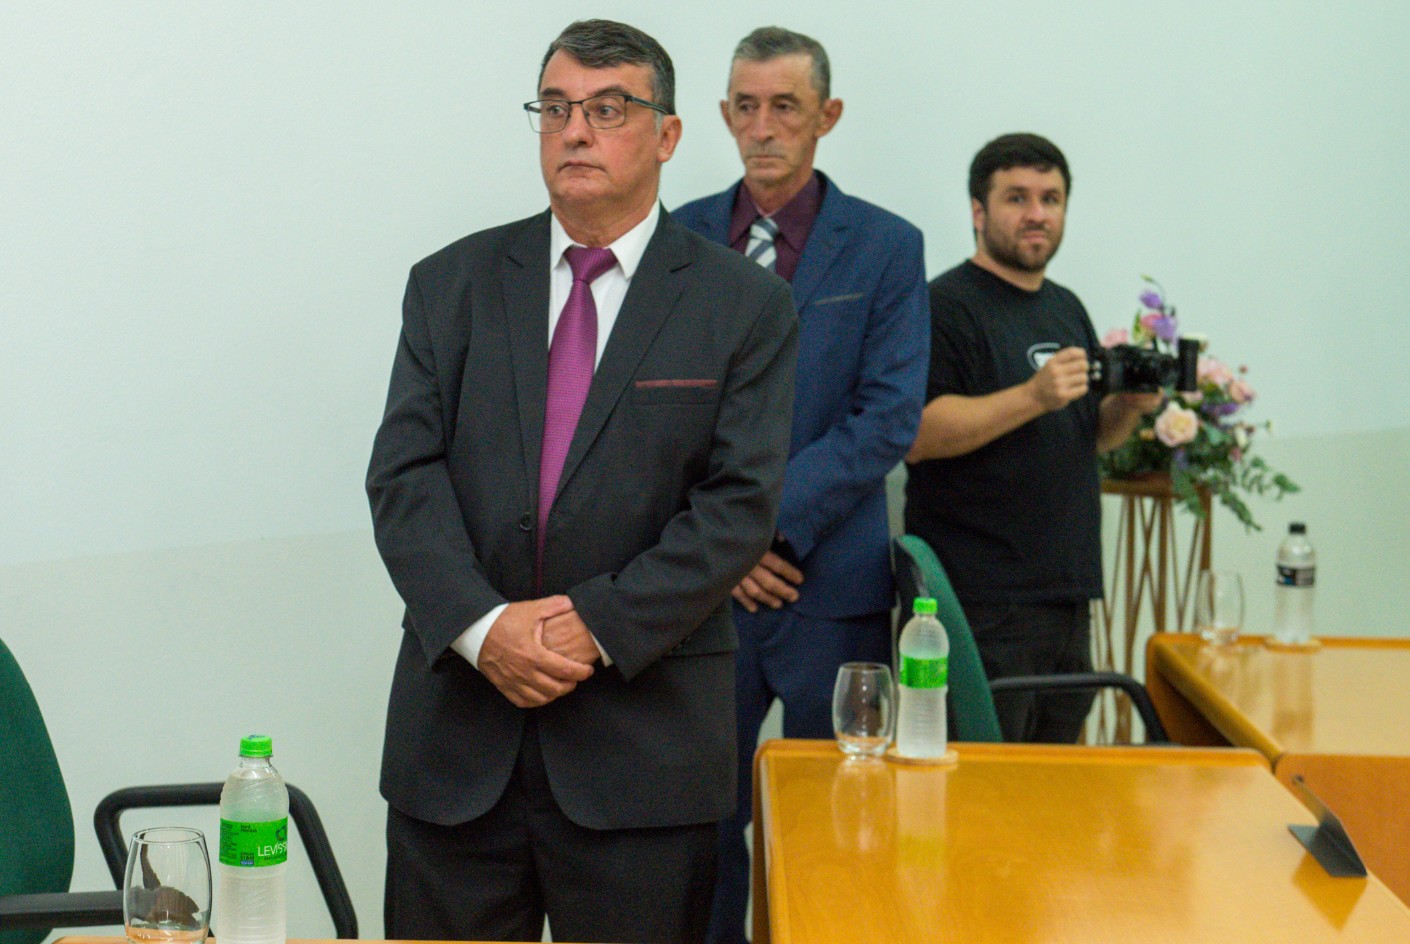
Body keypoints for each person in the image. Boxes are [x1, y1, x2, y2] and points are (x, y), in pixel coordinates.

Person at [365, 20, 798, 944]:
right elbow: (403, 480)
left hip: (642, 756)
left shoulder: (742, 304)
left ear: (667, 135)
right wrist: (483, 629)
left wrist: (590, 625)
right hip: (458, 749)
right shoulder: (451, 284)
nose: (574, 132)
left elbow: (735, 509)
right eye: (555, 109)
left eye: (607, 110)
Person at [674, 26, 928, 944]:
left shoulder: (887, 246)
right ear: (721, 115)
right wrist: (726, 547)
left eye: (784, 106)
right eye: (745, 106)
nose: (763, 126)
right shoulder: (676, 236)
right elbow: (652, 418)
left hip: (830, 588)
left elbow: (886, 416)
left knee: (834, 822)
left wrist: (760, 527)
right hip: (702, 595)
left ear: (827, 115)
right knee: (700, 827)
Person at [904, 133, 1159, 744]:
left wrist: (1129, 408)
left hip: (1068, 594)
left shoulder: (1066, 307)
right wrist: (1033, 396)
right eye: (1017, 198)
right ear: (978, 211)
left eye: (1051, 198)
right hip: (979, 602)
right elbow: (916, 434)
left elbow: (1091, 438)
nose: (1037, 213)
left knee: (1053, 782)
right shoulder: (944, 305)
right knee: (980, 782)